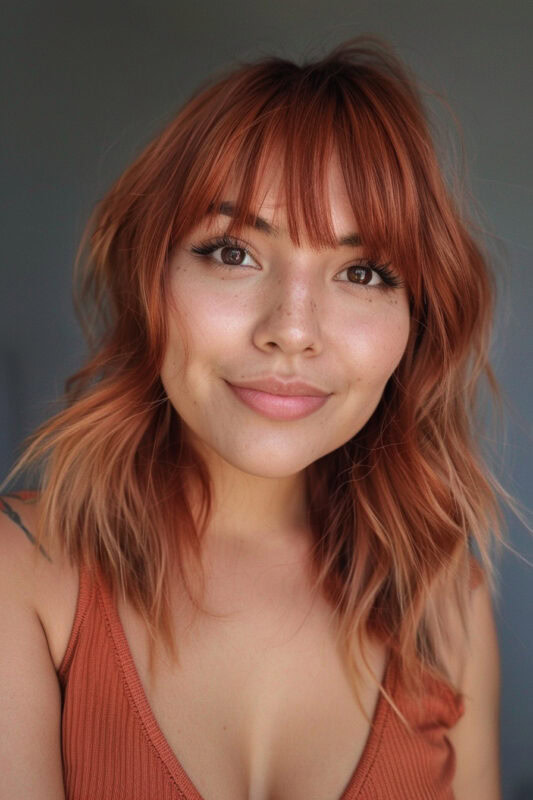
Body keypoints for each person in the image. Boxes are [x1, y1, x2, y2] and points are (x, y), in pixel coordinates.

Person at [0, 34, 505, 799]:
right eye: (233, 252)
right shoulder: (23, 573)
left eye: (362, 271)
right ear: (149, 276)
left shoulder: (447, 601)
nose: (292, 328)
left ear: (417, 323)